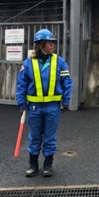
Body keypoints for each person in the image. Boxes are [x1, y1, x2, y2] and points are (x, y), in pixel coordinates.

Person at [16, 28, 73, 177]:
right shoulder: (29, 63)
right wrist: (22, 104)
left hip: (52, 107)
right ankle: (33, 165)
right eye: (49, 42)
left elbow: (67, 81)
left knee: (49, 137)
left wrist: (66, 100)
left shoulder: (59, 61)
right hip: (34, 107)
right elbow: (21, 83)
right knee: (34, 137)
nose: (52, 45)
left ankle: (48, 165)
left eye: (53, 42)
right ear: (41, 45)